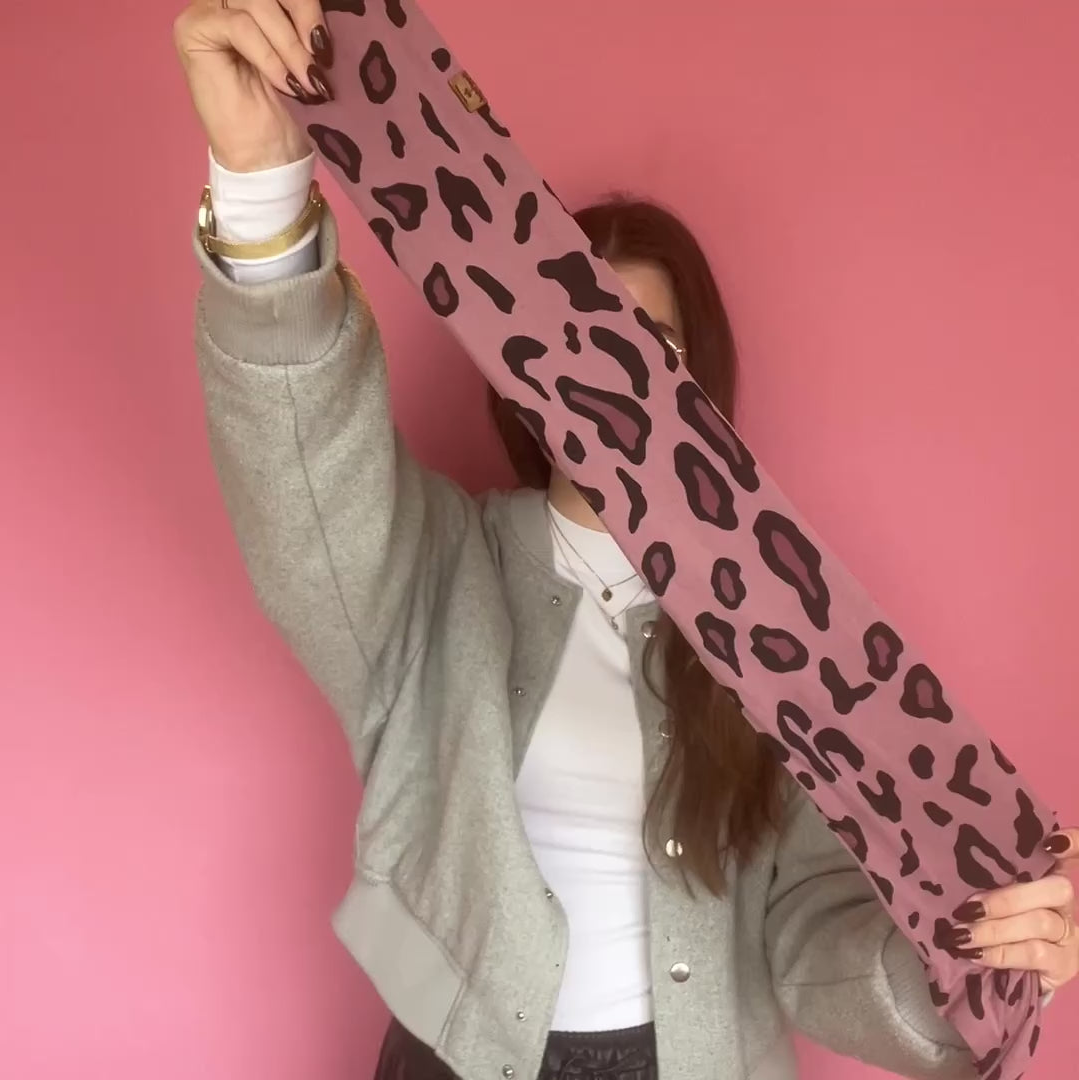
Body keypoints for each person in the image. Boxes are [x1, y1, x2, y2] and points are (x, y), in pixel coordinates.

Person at [174, 3, 1078, 1078]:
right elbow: (305, 481)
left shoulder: (778, 619)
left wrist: (977, 967)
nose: (610, 385)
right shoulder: (444, 567)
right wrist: (262, 187)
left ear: (699, 379)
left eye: (649, 350)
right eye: (576, 339)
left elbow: (812, 928)